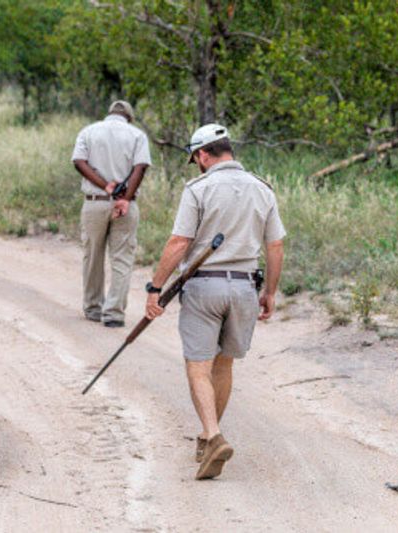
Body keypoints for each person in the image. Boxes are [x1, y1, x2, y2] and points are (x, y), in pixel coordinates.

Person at [144, 123, 286, 480]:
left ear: (204, 154)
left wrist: (154, 287)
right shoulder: (262, 188)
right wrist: (270, 291)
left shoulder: (198, 189)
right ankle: (208, 439)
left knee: (198, 365)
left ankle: (214, 434)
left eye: (196, 159)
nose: (197, 165)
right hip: (244, 288)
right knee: (224, 366)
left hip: (204, 287)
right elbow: (276, 246)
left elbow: (178, 243)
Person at [72, 100, 151, 327]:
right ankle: (114, 313)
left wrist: (105, 185)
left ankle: (93, 307)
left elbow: (78, 161)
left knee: (92, 256)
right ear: (129, 117)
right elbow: (141, 167)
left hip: (94, 202)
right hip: (126, 205)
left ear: (109, 114)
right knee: (122, 258)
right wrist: (124, 198)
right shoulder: (137, 135)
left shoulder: (88, 131)